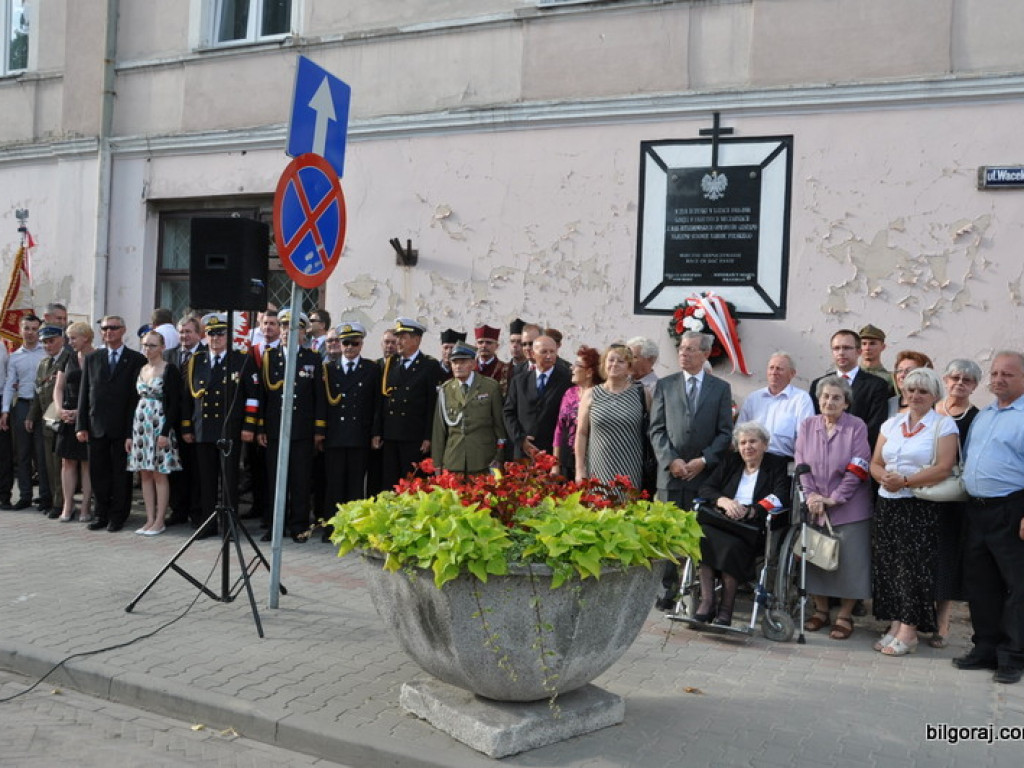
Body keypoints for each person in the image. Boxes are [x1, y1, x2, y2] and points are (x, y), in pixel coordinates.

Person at [870, 367, 957, 656]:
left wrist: (905, 481)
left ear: (934, 395)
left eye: (923, 391)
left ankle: (909, 631)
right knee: (890, 566)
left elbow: (943, 468)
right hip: (888, 502)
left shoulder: (943, 425)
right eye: (910, 390)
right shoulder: (891, 424)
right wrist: (884, 477)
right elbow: (875, 462)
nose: (915, 395)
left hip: (919, 504)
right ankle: (896, 624)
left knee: (914, 569)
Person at [649, 331, 733, 610]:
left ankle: (696, 592)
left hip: (702, 476)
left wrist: (703, 460)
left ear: (705, 354)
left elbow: (725, 433)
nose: (683, 354)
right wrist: (670, 460)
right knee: (666, 534)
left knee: (697, 536)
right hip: (670, 476)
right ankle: (667, 590)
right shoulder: (666, 385)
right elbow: (656, 429)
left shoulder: (720, 389)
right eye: (681, 348)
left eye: (690, 349)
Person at [955, 352, 1024, 684]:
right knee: (981, 584)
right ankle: (985, 648)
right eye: (995, 373)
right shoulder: (985, 415)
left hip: (1012, 509)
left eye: (1007, 374)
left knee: (1018, 586)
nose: (998, 379)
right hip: (978, 510)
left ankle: (1013, 656)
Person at [793, 375, 873, 640]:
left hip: (850, 506)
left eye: (836, 397)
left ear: (846, 403)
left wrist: (835, 498)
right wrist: (812, 496)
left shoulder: (856, 426)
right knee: (816, 557)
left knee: (851, 562)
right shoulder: (807, 425)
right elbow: (801, 464)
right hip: (815, 505)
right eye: (825, 396)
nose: (830, 401)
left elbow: (859, 465)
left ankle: (845, 616)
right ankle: (821, 611)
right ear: (819, 400)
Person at [695, 422, 789, 626]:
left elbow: (781, 495)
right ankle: (707, 602)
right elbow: (706, 488)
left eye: (753, 441)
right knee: (703, 537)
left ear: (765, 444)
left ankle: (726, 609)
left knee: (732, 546)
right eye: (743, 442)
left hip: (751, 526)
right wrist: (723, 501)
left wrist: (753, 510)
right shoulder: (731, 461)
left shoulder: (776, 464)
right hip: (723, 519)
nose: (748, 447)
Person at [180, 313, 258, 538]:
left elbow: (252, 397)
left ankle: (229, 525)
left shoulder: (241, 360)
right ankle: (208, 523)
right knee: (206, 479)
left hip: (229, 428)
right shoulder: (197, 361)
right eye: (211, 334)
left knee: (229, 479)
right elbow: (187, 398)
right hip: (203, 428)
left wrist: (249, 426)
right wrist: (187, 427)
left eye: (220, 334)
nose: (215, 338)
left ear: (228, 336)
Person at [257, 308, 324, 542]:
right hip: (275, 429)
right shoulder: (270, 357)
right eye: (284, 327)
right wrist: (261, 427)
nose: (286, 331)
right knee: (275, 480)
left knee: (300, 481)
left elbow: (319, 396)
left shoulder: (312, 358)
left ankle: (299, 526)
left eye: (292, 328)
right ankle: (275, 525)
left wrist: (319, 429)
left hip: (302, 430)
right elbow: (263, 395)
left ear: (303, 333)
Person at [76, 316, 146, 532]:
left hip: (122, 427)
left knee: (120, 475)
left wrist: (131, 432)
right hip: (96, 426)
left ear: (123, 330)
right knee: (98, 474)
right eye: (105, 328)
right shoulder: (92, 358)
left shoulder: (136, 359)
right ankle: (101, 514)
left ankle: (118, 516)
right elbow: (84, 393)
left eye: (114, 328)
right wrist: (81, 425)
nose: (109, 331)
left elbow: (135, 398)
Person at [930, 358, 982, 647]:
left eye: (967, 380)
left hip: (953, 497)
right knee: (921, 554)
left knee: (947, 558)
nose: (960, 383)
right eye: (955, 377)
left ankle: (942, 620)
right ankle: (913, 615)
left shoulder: (977, 418)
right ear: (945, 380)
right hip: (922, 491)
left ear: (974, 386)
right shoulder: (930, 410)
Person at [318, 322, 380, 540]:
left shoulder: (371, 369)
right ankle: (332, 528)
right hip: (335, 435)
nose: (349, 347)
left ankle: (354, 529)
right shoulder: (328, 369)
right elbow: (322, 403)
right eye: (346, 343)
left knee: (355, 486)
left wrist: (375, 432)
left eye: (354, 343)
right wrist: (320, 431)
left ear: (361, 344)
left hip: (359, 435)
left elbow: (376, 403)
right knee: (333, 484)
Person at [374, 318, 443, 490]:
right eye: (397, 337)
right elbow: (382, 401)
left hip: (414, 435)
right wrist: (377, 431)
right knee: (390, 482)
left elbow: (432, 405)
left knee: (412, 482)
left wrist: (428, 436)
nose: (398, 342)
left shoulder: (429, 365)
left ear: (416, 340)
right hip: (391, 434)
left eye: (403, 337)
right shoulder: (390, 364)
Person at [126, 330, 183, 535]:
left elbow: (175, 403)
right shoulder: (140, 369)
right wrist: (129, 434)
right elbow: (132, 402)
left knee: (160, 473)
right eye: (145, 345)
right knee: (145, 473)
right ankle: (149, 519)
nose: (147, 349)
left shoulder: (169, 369)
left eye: (152, 345)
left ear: (162, 347)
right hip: (141, 424)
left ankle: (160, 520)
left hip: (160, 424)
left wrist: (165, 432)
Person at [575, 344, 649, 489]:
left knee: (628, 502)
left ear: (629, 367)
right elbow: (581, 433)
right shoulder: (591, 394)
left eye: (621, 361)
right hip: (598, 466)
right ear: (604, 364)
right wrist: (579, 469)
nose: (614, 364)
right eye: (611, 360)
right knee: (598, 501)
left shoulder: (641, 393)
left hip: (631, 466)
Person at [431, 342, 506, 475]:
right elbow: (439, 430)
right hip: (454, 460)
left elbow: (499, 426)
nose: (458, 366)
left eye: (463, 362)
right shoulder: (446, 389)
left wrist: (499, 457)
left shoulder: (490, 387)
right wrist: (437, 464)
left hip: (483, 459)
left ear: (472, 363)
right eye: (454, 362)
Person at [809, 329, 890, 448]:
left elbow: (875, 426)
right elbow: (813, 422)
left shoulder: (877, 385)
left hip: (858, 451)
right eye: (836, 348)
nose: (841, 353)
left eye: (846, 348)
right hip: (822, 449)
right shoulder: (818, 384)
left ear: (859, 351)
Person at [1, 314, 47, 510]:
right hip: (22, 405)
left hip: (42, 407)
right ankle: (25, 496)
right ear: (20, 330)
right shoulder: (14, 357)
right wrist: (5, 411)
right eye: (26, 328)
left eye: (34, 329)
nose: (30, 333)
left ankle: (45, 496)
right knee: (22, 453)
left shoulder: (46, 353)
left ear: (39, 331)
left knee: (42, 453)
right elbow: (9, 385)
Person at [503, 335, 572, 460]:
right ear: (533, 354)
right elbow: (508, 413)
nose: (549, 356)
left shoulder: (567, 380)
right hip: (523, 453)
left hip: (553, 453)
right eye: (544, 352)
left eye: (552, 352)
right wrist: (520, 439)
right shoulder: (519, 381)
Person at [737, 352, 814, 461]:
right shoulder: (753, 398)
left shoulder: (801, 399)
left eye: (779, 369)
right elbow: (739, 432)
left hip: (782, 460)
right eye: (771, 368)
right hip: (751, 460)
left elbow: (805, 438)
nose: (774, 372)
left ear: (792, 374)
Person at [53, 322, 94, 522]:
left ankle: (85, 505)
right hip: (67, 414)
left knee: (87, 462)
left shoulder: (97, 357)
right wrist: (60, 410)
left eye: (73, 338)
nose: (70, 342)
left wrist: (82, 412)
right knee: (67, 461)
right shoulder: (67, 357)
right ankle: (68, 505)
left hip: (88, 415)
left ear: (85, 337)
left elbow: (99, 390)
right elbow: (58, 387)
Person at [167, 315, 206, 527]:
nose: (184, 336)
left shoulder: (206, 355)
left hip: (196, 421)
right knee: (176, 469)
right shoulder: (169, 355)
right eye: (181, 332)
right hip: (172, 421)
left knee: (196, 469)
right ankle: (178, 510)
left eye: (188, 331)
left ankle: (196, 512)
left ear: (199, 334)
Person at [27, 325, 70, 517]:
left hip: (63, 420)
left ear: (62, 340)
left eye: (51, 341)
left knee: (61, 464)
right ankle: (53, 500)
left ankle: (61, 503)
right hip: (47, 420)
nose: (47, 345)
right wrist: (31, 415)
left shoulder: (68, 359)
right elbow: (38, 392)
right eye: (44, 342)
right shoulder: (44, 363)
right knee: (49, 465)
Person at [552, 345, 602, 480]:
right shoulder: (570, 393)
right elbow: (559, 429)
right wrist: (555, 464)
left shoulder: (600, 395)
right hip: (567, 459)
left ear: (589, 372)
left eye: (577, 365)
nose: (571, 368)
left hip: (592, 459)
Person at [887, 350, 934, 417]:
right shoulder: (890, 403)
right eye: (900, 370)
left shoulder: (931, 404)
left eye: (908, 371)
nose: (902, 375)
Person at [858, 324, 896, 397]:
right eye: (864, 344)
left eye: (872, 343)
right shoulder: (850, 375)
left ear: (883, 347)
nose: (867, 348)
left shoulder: (890, 379)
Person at [474, 324, 510, 397]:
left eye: (488, 342)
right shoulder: (469, 368)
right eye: (480, 342)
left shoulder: (505, 369)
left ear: (497, 346)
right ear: (475, 345)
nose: (484, 345)